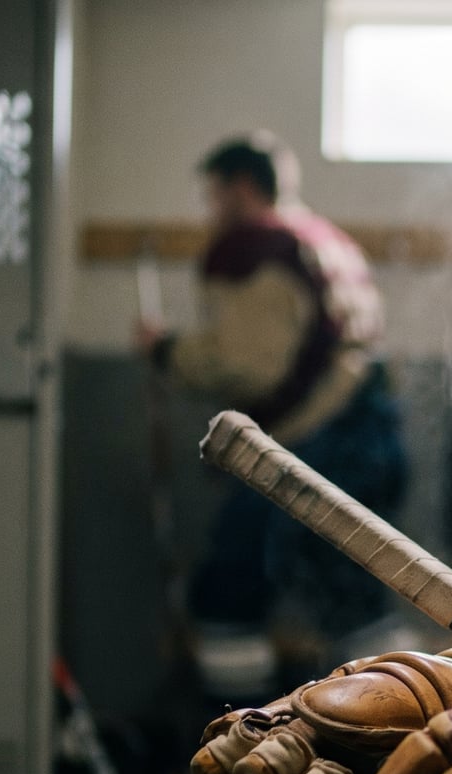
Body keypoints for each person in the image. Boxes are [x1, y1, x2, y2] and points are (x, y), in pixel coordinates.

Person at [135, 134, 406, 705]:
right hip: (372, 432)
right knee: (351, 595)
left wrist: (168, 351)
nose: (211, 211)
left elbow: (249, 365)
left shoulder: (254, 248)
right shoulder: (325, 240)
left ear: (240, 187)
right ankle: (391, 728)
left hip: (314, 443)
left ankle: (237, 746)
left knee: (228, 592)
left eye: (214, 195)